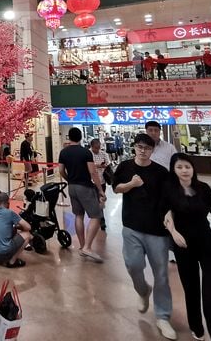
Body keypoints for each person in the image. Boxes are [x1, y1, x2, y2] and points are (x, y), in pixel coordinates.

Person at [163, 153, 211, 341]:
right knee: (191, 288)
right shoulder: (169, 190)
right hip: (183, 246)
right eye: (179, 167)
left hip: (207, 242)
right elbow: (164, 215)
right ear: (174, 169)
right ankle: (196, 326)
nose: (184, 170)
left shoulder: (203, 188)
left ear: (193, 168)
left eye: (187, 166)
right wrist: (173, 233)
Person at [113, 133, 176, 340]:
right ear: (134, 147)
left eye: (147, 148)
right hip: (131, 226)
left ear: (152, 151)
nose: (142, 151)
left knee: (161, 274)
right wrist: (131, 184)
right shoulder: (125, 167)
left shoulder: (160, 172)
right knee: (133, 265)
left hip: (157, 231)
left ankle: (163, 316)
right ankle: (142, 290)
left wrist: (171, 226)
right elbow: (116, 188)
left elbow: (168, 200)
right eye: (139, 147)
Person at [58, 127, 105, 260]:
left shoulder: (63, 152)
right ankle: (87, 247)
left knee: (78, 215)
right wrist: (100, 190)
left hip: (71, 187)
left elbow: (61, 171)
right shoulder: (85, 152)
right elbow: (93, 172)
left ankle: (82, 246)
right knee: (96, 215)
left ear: (69, 137)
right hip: (85, 186)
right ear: (80, 137)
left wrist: (69, 180)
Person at [0, 192, 32, 267]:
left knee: (9, 231)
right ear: (8, 202)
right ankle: (12, 261)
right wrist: (18, 226)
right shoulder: (10, 213)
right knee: (27, 235)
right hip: (2, 254)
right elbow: (28, 227)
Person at [90, 138, 112, 231]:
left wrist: (103, 165)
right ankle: (96, 219)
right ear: (92, 146)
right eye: (95, 148)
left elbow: (108, 163)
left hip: (102, 181)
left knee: (100, 201)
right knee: (94, 201)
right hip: (91, 181)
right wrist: (98, 165)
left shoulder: (104, 154)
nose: (97, 150)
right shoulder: (88, 154)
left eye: (99, 147)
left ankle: (101, 220)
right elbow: (87, 165)